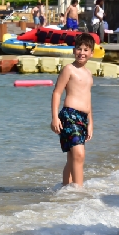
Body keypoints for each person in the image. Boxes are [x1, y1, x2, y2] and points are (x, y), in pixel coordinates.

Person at [50, 33, 94, 186]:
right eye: (79, 49)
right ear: (73, 50)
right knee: (79, 154)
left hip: (83, 118)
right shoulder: (69, 69)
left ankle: (65, 190)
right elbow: (57, 92)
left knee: (72, 156)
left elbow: (88, 99)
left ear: (92, 53)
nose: (82, 52)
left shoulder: (89, 74)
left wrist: (90, 123)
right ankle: (78, 192)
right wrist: (55, 117)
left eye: (86, 50)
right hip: (69, 115)